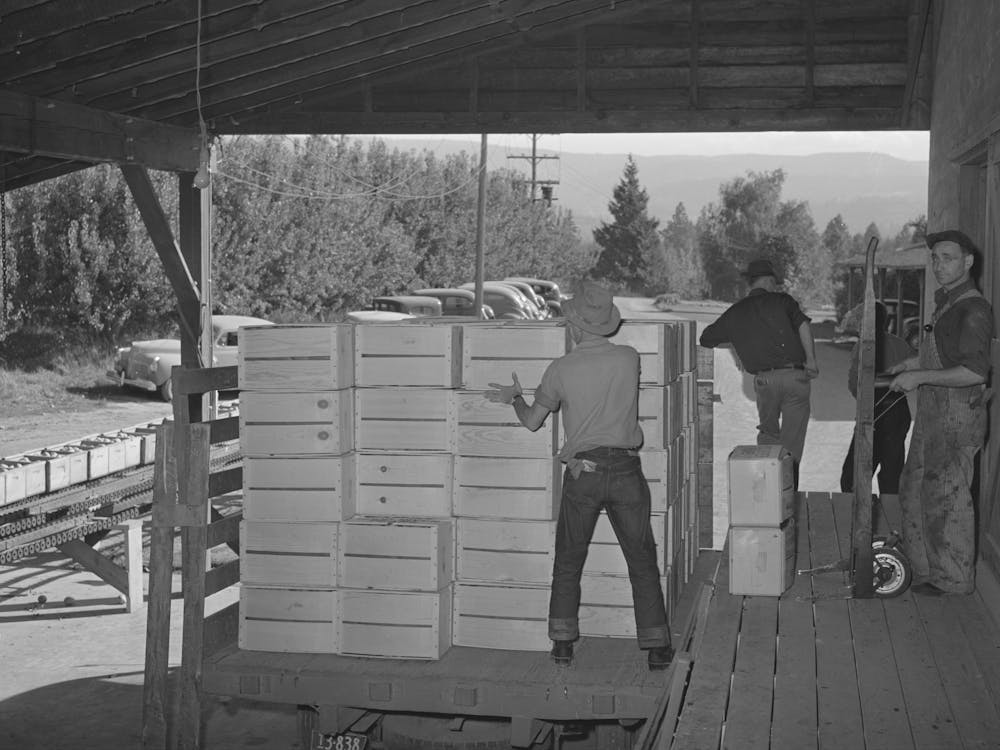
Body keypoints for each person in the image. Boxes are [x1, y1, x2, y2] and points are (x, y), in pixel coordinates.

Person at [484, 281, 673, 671]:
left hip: (582, 473)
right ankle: (657, 647)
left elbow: (534, 422)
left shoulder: (560, 369)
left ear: (574, 326)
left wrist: (515, 398)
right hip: (626, 472)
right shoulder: (629, 358)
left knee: (569, 560)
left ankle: (563, 644)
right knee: (641, 560)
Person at [888, 230, 993, 596]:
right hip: (933, 413)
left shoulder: (974, 309)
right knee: (915, 487)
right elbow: (947, 356)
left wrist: (920, 375)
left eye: (948, 257)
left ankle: (953, 580)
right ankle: (922, 567)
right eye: (935, 257)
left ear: (968, 262)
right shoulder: (948, 302)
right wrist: (913, 363)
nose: (939, 264)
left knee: (946, 497)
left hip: (957, 415)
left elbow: (974, 372)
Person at [698, 259, 819, 485]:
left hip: (765, 380)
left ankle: (770, 499)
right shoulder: (783, 301)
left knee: (768, 435)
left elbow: (706, 338)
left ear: (750, 282)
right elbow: (803, 325)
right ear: (769, 280)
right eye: (774, 282)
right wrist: (811, 360)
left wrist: (740, 347)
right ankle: (788, 496)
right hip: (795, 377)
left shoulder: (736, 312)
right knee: (791, 444)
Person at [839, 300, 913, 494]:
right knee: (891, 472)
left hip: (873, 411)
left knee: (853, 476)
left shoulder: (863, 347)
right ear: (886, 321)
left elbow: (855, 384)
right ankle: (891, 518)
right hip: (898, 410)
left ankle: (860, 517)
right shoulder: (900, 343)